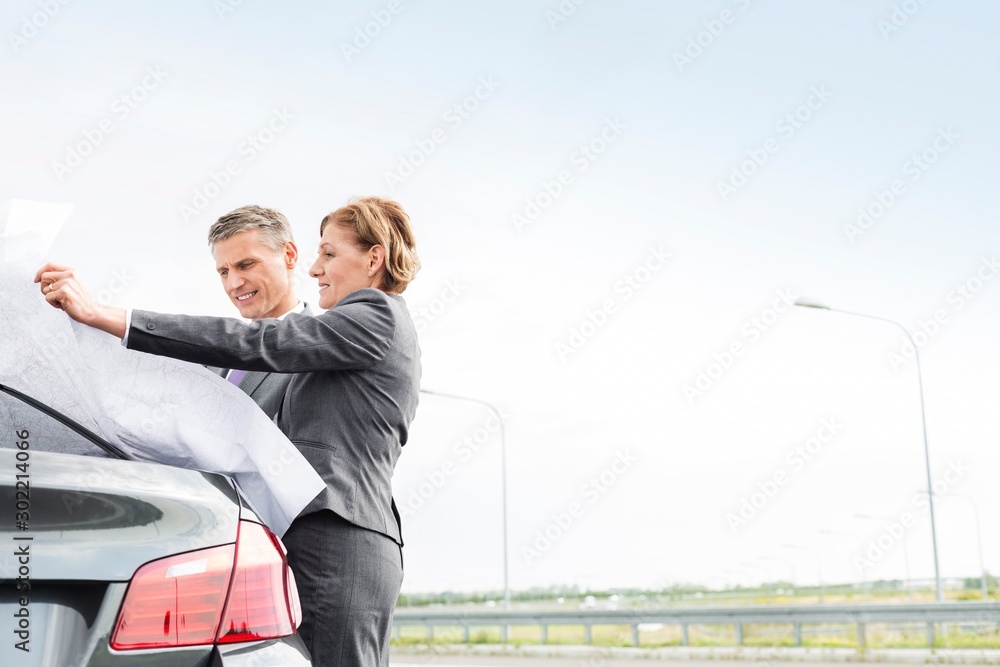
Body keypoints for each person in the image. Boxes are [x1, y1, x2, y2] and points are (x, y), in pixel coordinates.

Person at [35, 196, 421, 667]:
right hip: (270, 548)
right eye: (223, 271)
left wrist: (104, 315)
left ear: (374, 257)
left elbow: (257, 343)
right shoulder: (325, 345)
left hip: (340, 540)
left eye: (330, 254)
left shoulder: (376, 313)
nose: (318, 269)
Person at [206, 205, 314, 418]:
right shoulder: (213, 356)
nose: (233, 284)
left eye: (246, 265)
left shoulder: (317, 355)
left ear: (289, 255)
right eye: (224, 272)